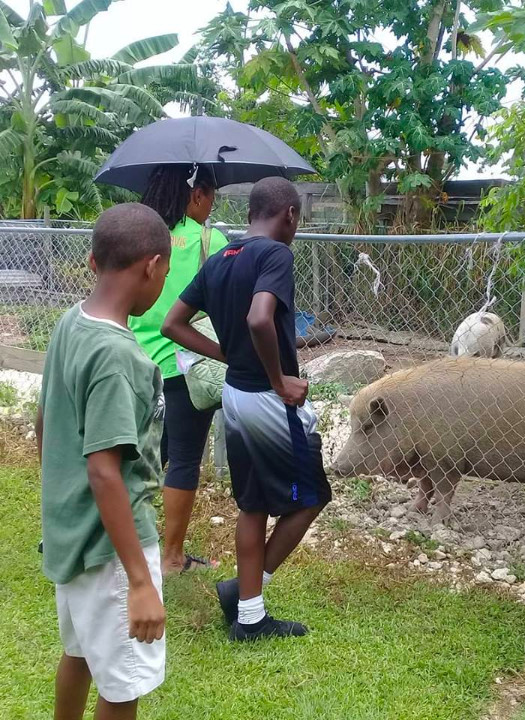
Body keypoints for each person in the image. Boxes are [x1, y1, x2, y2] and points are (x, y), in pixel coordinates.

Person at [162, 177, 331, 641]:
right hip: (265, 399)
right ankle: (244, 589)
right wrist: (280, 381)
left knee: (253, 505)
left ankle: (250, 616)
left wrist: (227, 355)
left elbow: (172, 323)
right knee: (312, 498)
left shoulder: (220, 259)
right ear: (289, 215)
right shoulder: (276, 254)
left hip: (234, 396)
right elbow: (260, 317)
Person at [38, 203, 170, 720]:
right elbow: (103, 468)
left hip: (71, 535)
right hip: (111, 550)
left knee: (79, 656)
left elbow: (47, 422)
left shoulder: (72, 322)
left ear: (93, 262)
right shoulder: (119, 358)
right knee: (122, 686)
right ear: (152, 267)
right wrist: (139, 581)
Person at [130, 164, 227, 575]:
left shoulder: (141, 236)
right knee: (184, 459)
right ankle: (171, 557)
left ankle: (118, 542)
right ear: (196, 195)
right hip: (189, 364)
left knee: (134, 456)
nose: (211, 208)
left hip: (135, 362)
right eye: (211, 198)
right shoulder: (211, 240)